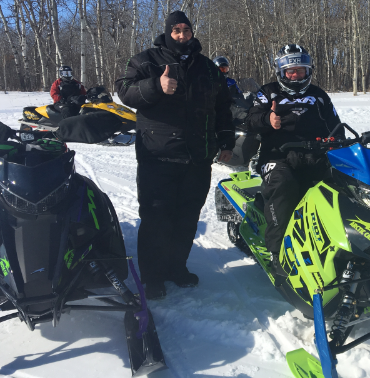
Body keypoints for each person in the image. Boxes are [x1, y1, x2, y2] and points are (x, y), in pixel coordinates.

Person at [115, 11, 234, 299]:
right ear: (168, 32)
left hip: (198, 157)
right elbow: (124, 91)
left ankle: (176, 268)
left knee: (187, 217)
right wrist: (156, 86)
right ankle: (152, 276)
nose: (182, 35)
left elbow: (222, 108)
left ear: (192, 32)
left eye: (186, 30)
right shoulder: (146, 61)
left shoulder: (206, 68)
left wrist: (226, 141)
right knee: (157, 217)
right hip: (158, 155)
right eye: (176, 30)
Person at [245, 44, 342, 276]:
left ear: (308, 71)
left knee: (337, 188)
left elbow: (336, 125)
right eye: (291, 72)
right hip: (277, 156)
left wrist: (337, 143)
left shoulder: (318, 95)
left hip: (315, 154)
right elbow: (249, 119)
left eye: (300, 71)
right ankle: (277, 253)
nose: (296, 76)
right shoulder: (267, 93)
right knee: (284, 185)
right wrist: (268, 120)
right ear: (281, 72)